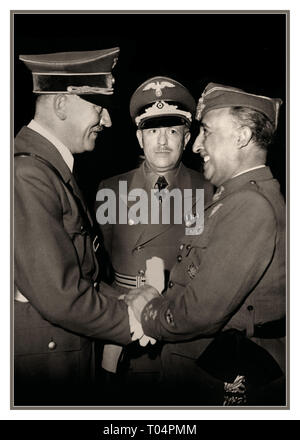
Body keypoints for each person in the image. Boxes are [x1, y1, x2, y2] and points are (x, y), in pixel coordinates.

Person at [125, 82, 286, 406]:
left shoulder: (250, 206)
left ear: (241, 136)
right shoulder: (228, 198)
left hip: (225, 374)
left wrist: (147, 310)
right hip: (202, 365)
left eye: (207, 132)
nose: (196, 144)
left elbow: (199, 313)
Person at [14, 47, 143, 406]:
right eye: (98, 107)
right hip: (43, 368)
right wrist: (136, 319)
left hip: (64, 352)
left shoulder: (49, 167)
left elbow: (81, 274)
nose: (108, 121)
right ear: (61, 104)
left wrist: (126, 298)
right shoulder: (27, 173)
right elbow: (60, 293)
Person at [95, 76, 213, 403]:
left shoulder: (208, 192)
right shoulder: (110, 189)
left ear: (187, 138)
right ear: (139, 138)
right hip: (120, 331)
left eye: (172, 131)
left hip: (178, 331)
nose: (162, 141)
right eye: (152, 130)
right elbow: (96, 265)